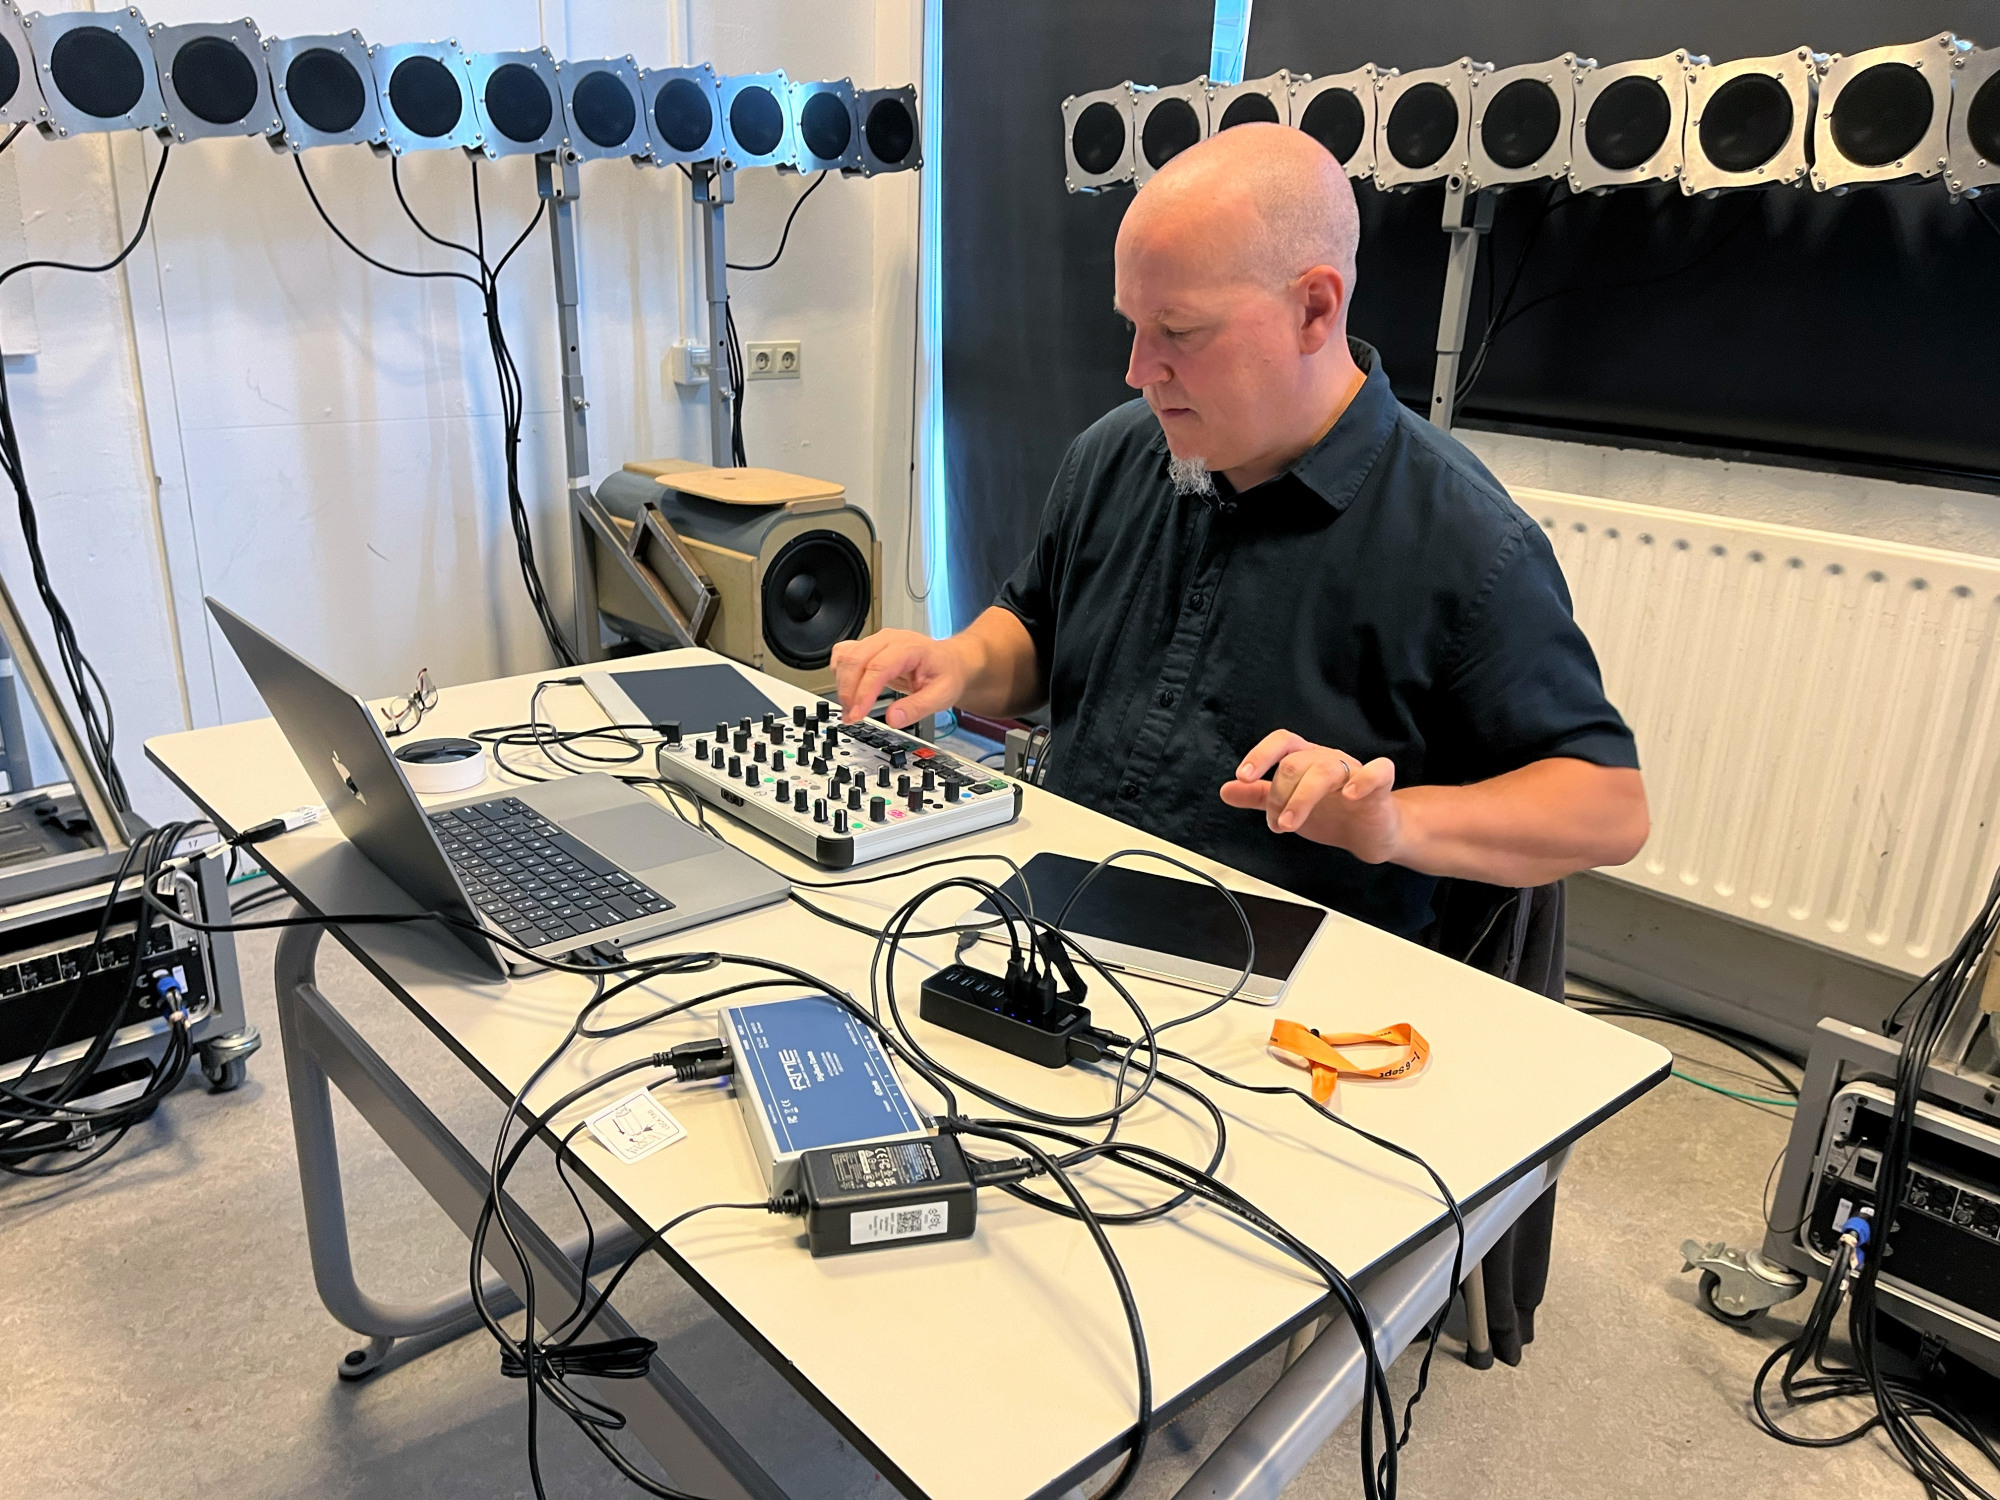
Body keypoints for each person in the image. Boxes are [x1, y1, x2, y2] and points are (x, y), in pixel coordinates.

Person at [834, 121, 1647, 938]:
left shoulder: (1464, 539)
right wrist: (958, 663)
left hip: (1289, 975)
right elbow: (1038, 633)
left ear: (1313, 309)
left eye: (1180, 331)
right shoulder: (1116, 453)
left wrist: (1393, 823)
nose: (1139, 370)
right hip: (1068, 912)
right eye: (1132, 325)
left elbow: (1608, 808)